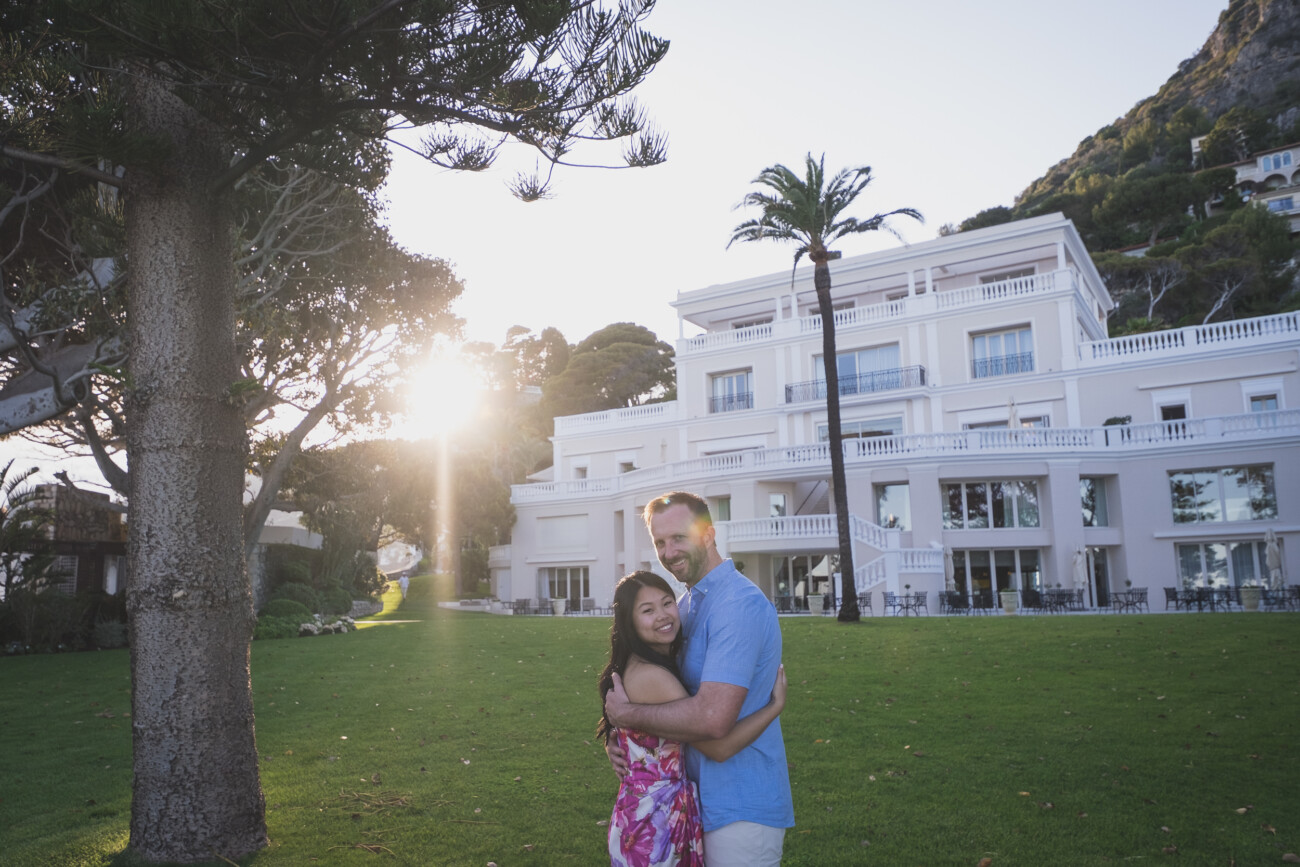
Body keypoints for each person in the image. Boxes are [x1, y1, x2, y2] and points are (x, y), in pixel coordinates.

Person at [605, 492, 794, 866]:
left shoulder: (738, 605)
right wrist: (628, 739)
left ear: (708, 534)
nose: (669, 551)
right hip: (690, 805)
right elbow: (661, 693)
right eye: (660, 542)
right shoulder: (686, 606)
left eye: (679, 537)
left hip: (739, 808)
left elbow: (711, 721)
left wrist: (628, 716)